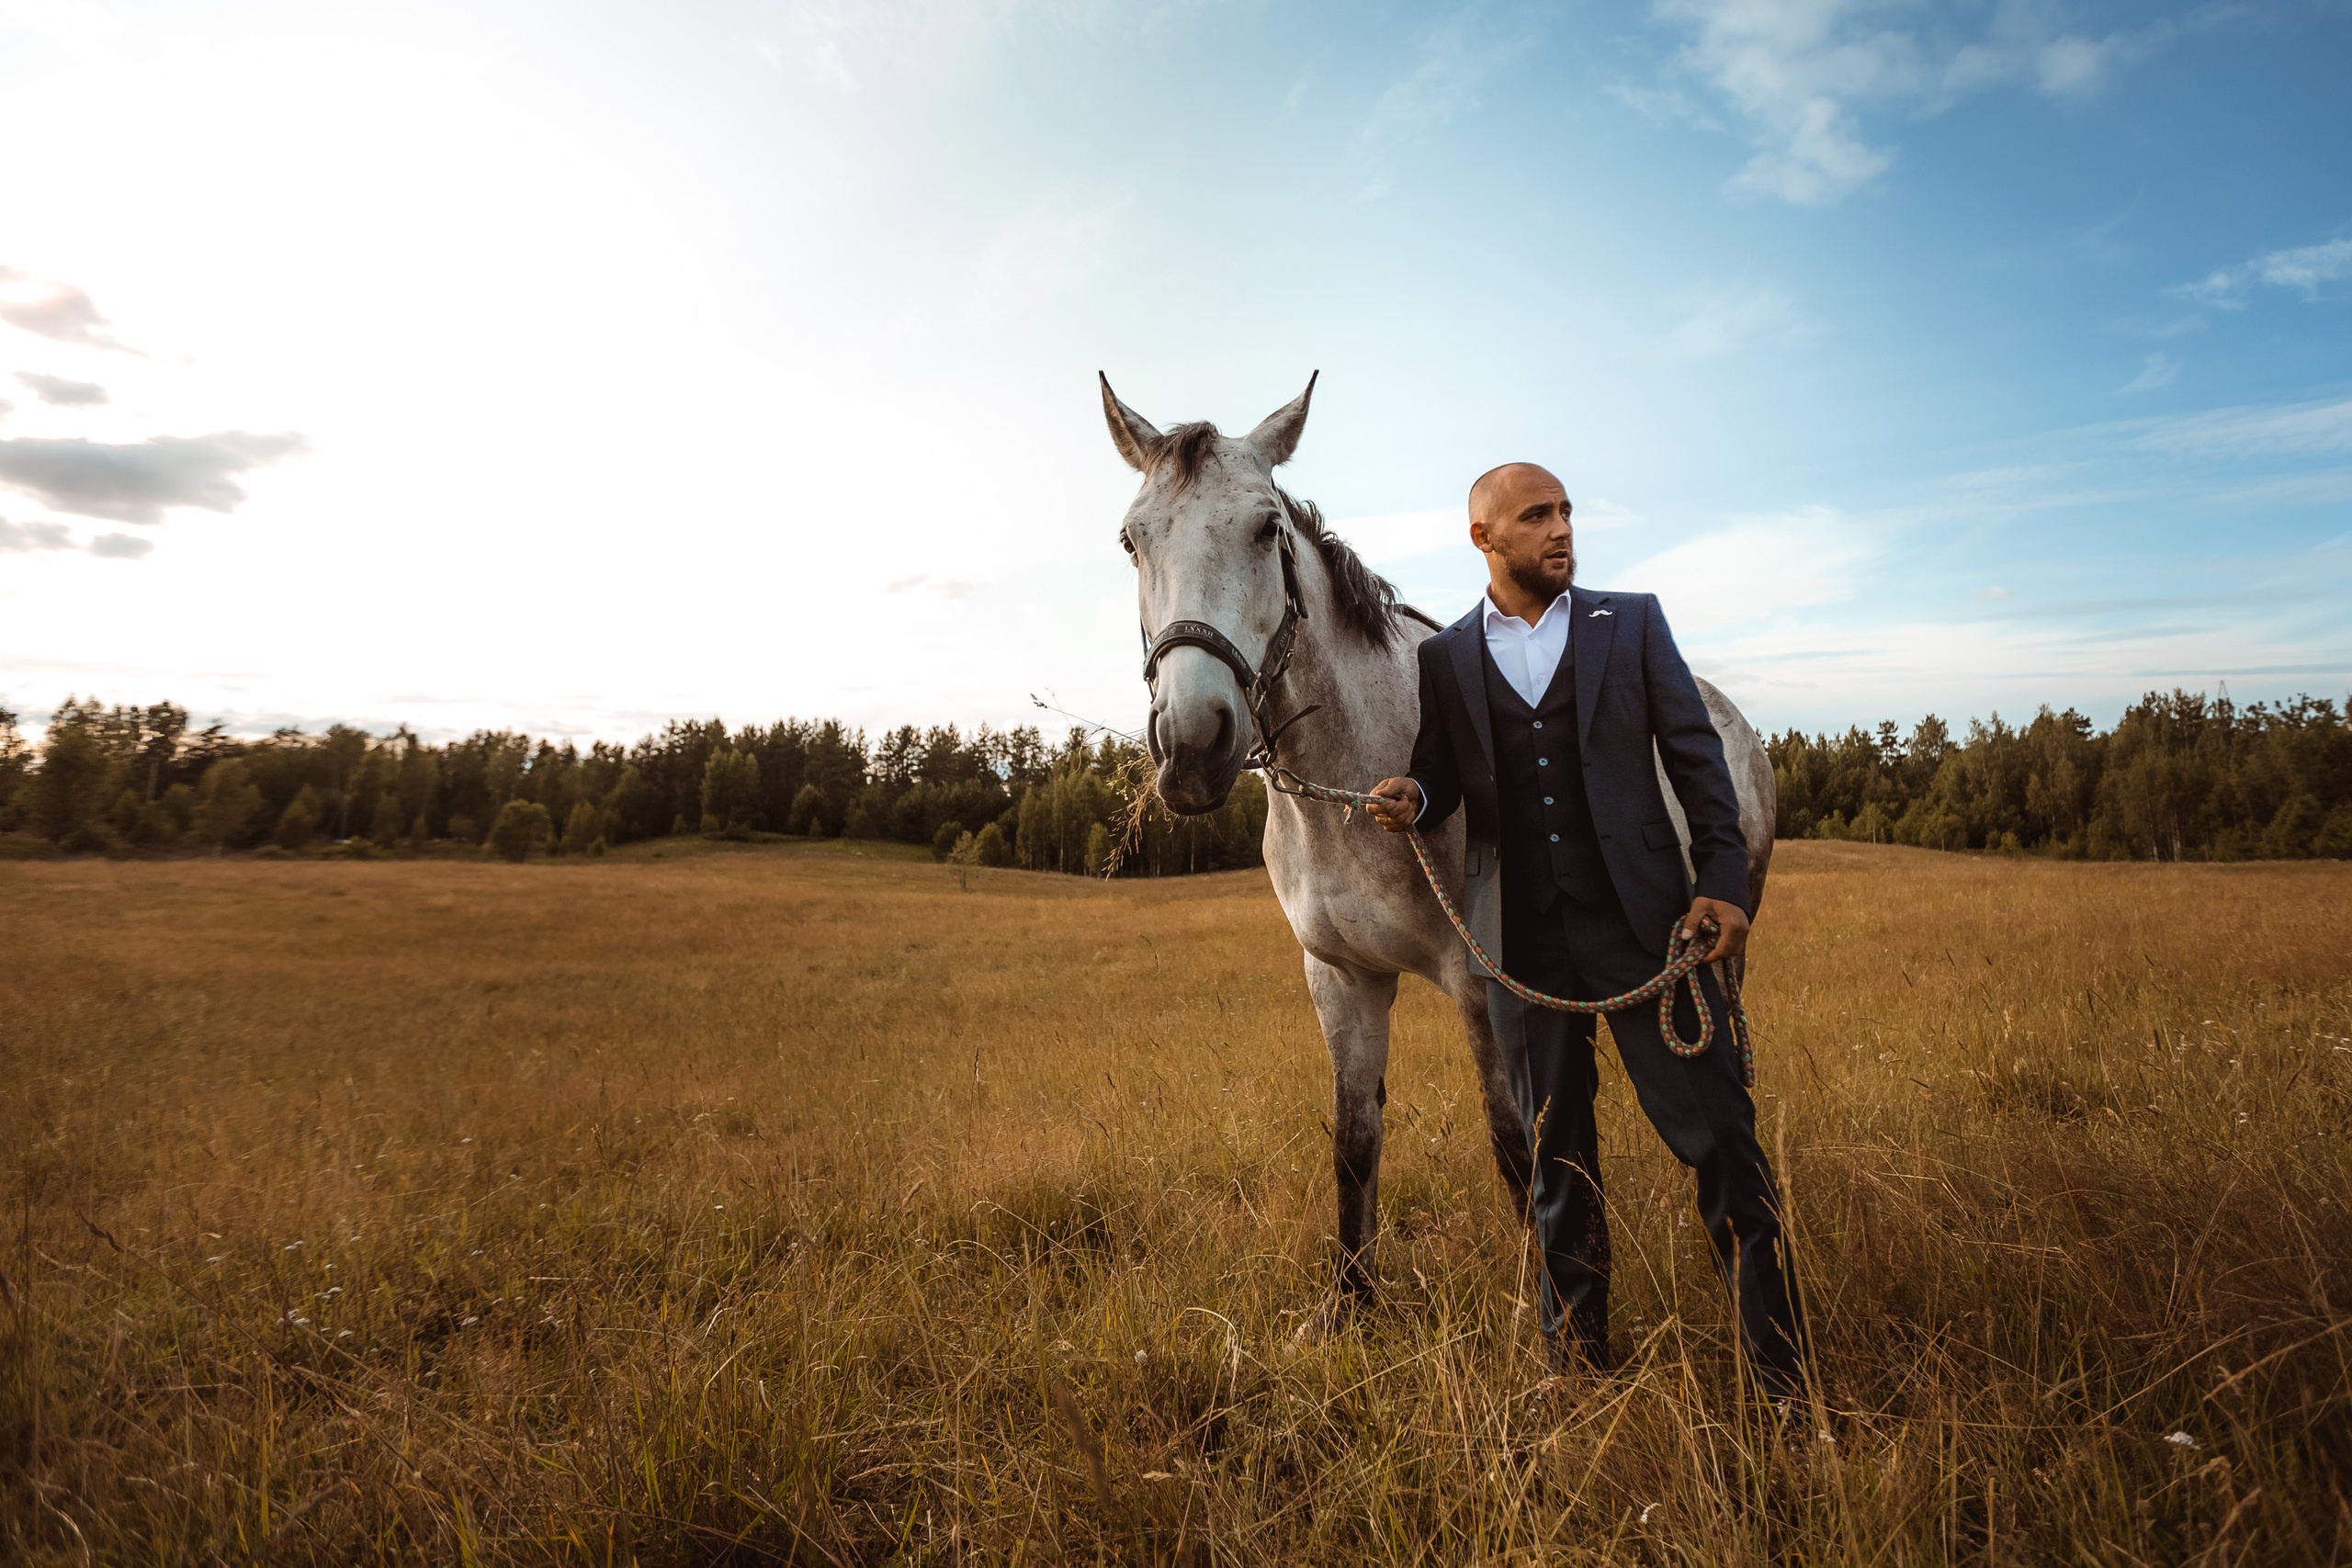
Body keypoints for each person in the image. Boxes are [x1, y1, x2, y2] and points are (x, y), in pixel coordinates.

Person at [1363, 462, 1808, 1402]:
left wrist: (1722, 884)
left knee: (1722, 1142)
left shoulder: (1632, 621)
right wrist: (1414, 794)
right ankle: (1576, 1367)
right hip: (1518, 948)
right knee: (1554, 1159)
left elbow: (1696, 761)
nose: (1560, 530)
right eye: (1536, 517)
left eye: (1565, 513)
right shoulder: (1443, 657)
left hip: (1650, 932)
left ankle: (1781, 1372)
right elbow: (1440, 772)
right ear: (1483, 538)